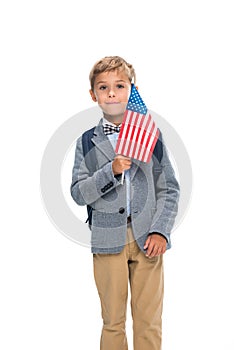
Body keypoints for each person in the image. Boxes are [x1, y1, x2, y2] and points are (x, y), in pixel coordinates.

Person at [71, 56, 180, 350]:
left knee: (148, 321)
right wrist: (111, 171)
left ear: (132, 91)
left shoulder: (150, 135)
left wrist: (161, 230)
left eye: (120, 86)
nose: (111, 93)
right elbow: (79, 193)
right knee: (113, 321)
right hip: (107, 239)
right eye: (103, 87)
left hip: (148, 239)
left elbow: (169, 188)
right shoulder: (86, 141)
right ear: (94, 95)